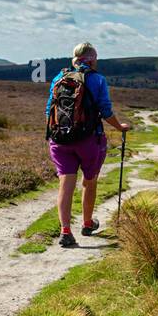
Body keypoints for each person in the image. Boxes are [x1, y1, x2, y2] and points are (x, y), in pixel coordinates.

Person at [45, 42, 129, 247]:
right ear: (91, 59)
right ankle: (87, 223)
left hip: (59, 140)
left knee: (65, 183)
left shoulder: (59, 78)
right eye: (96, 57)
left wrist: (61, 131)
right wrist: (120, 127)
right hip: (89, 140)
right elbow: (106, 111)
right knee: (89, 181)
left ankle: (65, 231)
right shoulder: (98, 80)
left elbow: (49, 110)